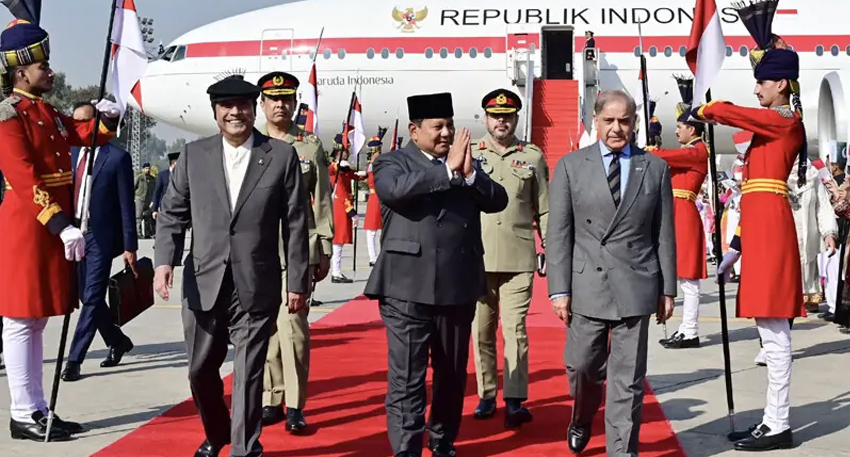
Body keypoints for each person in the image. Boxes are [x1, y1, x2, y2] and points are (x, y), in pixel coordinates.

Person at [153, 74, 310, 457]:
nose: (235, 113)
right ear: (216, 112)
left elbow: (295, 222)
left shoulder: (280, 156)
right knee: (200, 371)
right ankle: (218, 432)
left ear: (254, 109)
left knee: (248, 372)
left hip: (256, 282)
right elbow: (172, 213)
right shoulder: (194, 155)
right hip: (204, 280)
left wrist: (298, 282)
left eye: (242, 105)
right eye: (227, 106)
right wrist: (164, 261)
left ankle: (245, 448)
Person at [364, 92, 508, 457]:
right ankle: (406, 449)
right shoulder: (392, 163)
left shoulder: (466, 165)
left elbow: (498, 200)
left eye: (449, 126)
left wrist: (470, 173)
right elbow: (394, 192)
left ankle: (442, 439)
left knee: (452, 376)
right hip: (405, 288)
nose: (446, 134)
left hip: (457, 288)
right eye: (437, 127)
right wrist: (445, 171)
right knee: (407, 378)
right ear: (415, 130)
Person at [0, 19, 121, 441]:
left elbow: (83, 135)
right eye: (43, 66)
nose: (50, 73)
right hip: (29, 228)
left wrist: (107, 117)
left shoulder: (45, 111)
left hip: (51, 228)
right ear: (21, 72)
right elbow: (24, 176)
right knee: (19, 320)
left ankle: (37, 407)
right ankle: (20, 411)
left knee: (35, 323)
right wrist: (60, 224)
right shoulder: (8, 116)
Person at [546, 90, 676, 456]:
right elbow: (559, 232)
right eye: (609, 121)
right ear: (596, 121)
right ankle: (582, 416)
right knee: (582, 367)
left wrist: (667, 288)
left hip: (636, 282)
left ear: (635, 123)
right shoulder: (571, 166)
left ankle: (622, 450)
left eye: (624, 121)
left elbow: (663, 232)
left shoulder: (655, 168)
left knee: (628, 380)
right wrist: (559, 289)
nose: (617, 128)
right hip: (587, 283)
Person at [705, 4, 805, 449]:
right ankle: (771, 419)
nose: (758, 88)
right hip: (762, 235)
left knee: (775, 336)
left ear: (781, 84)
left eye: (762, 81)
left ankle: (778, 423)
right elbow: (754, 200)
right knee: (768, 333)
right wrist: (738, 245)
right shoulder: (772, 126)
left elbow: (742, 115)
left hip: (774, 237)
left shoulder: (784, 122)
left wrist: (709, 107)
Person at [256, 70, 334, 432]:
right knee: (267, 328)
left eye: (286, 99)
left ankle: (295, 405)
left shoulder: (309, 145)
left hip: (297, 249)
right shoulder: (250, 144)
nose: (280, 105)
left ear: (294, 103)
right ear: (262, 103)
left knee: (294, 328)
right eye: (273, 99)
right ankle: (272, 396)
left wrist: (325, 244)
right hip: (258, 251)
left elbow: (321, 200)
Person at [468, 88, 548, 428]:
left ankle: (514, 399)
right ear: (485, 118)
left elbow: (544, 208)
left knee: (515, 330)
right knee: (480, 331)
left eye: (508, 116)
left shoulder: (532, 156)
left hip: (518, 258)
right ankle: (487, 394)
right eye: (496, 116)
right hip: (476, 257)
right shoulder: (470, 153)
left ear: (516, 118)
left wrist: (551, 250)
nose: (502, 121)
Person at [62, 102, 138, 382]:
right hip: (73, 233)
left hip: (100, 237)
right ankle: (117, 341)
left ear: (96, 123)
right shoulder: (70, 154)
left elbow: (126, 204)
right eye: (74, 123)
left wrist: (130, 244)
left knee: (93, 296)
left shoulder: (117, 158)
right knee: (85, 296)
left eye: (84, 122)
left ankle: (74, 359)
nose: (78, 128)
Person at [646, 75, 708, 349]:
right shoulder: (688, 150)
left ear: (693, 130)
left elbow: (667, 157)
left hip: (684, 215)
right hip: (675, 213)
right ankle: (684, 328)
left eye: (681, 127)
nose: (677, 131)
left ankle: (691, 330)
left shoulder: (697, 151)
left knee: (688, 280)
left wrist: (649, 152)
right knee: (678, 276)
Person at [788, 160, 837, 312]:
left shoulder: (812, 174)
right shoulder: (775, 175)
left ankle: (809, 295)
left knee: (808, 259)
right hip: (786, 231)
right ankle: (788, 297)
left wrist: (829, 233)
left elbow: (822, 206)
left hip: (809, 231)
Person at [328, 134, 364, 283]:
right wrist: (352, 212)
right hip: (340, 207)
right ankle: (335, 272)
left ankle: (337, 271)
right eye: (345, 152)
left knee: (340, 243)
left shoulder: (344, 169)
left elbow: (352, 175)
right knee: (338, 242)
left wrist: (364, 174)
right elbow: (342, 193)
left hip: (343, 206)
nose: (347, 156)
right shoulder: (335, 168)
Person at [360, 134, 384, 266]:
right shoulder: (373, 164)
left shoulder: (376, 164)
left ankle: (376, 256)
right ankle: (373, 257)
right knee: (372, 231)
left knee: (376, 230)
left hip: (378, 198)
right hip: (375, 198)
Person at [151, 151, 180, 219]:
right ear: (174, 163)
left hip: (179, 207)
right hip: (166, 208)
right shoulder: (163, 175)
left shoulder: (181, 175)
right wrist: (154, 210)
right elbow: (157, 192)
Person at [134, 162, 155, 238]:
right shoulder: (139, 178)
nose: (148, 170)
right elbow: (133, 187)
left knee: (148, 217)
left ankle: (147, 233)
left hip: (148, 200)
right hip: (140, 199)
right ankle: (138, 233)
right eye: (146, 168)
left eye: (149, 168)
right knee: (138, 217)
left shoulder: (152, 179)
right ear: (143, 169)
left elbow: (155, 190)